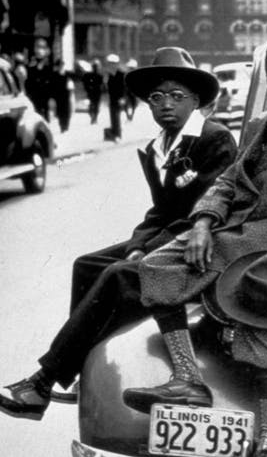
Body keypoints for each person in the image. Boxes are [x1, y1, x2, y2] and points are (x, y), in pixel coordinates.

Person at [121, 38, 267, 448]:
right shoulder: (261, 124)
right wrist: (204, 221)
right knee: (155, 266)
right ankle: (187, 377)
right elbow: (229, 180)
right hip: (235, 229)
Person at [0, 46, 238, 420]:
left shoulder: (215, 138)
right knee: (87, 264)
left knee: (117, 277)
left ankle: (43, 382)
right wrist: (139, 244)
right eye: (156, 98)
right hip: (165, 237)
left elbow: (207, 210)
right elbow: (159, 210)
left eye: (177, 97)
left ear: (196, 100)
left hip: (198, 246)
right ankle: (79, 366)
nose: (166, 106)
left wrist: (147, 251)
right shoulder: (157, 146)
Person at [26, 38, 53, 121]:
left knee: (45, 113)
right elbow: (29, 78)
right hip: (33, 94)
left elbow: (51, 80)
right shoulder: (31, 63)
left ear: (46, 50)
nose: (40, 50)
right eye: (38, 47)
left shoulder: (48, 64)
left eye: (42, 47)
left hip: (45, 94)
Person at [105, 53, 126, 141]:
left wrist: (122, 98)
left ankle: (118, 134)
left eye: (112, 63)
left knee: (117, 116)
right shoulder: (109, 75)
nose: (111, 65)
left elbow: (124, 87)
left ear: (116, 64)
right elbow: (107, 88)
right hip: (112, 98)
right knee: (112, 116)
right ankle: (114, 133)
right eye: (109, 63)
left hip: (119, 98)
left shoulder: (121, 74)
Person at [51, 59, 73, 133]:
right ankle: (62, 126)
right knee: (60, 112)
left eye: (62, 65)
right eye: (60, 65)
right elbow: (53, 85)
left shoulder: (67, 74)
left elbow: (71, 83)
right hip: (58, 95)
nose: (61, 66)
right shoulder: (54, 74)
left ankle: (66, 125)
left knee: (67, 111)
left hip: (66, 95)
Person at [82, 59, 105, 125]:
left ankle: (95, 118)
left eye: (97, 66)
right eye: (95, 66)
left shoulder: (100, 75)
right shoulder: (88, 75)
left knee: (96, 106)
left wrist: (103, 89)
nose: (96, 67)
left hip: (97, 93)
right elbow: (85, 83)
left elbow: (102, 85)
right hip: (91, 93)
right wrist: (88, 89)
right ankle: (93, 118)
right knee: (91, 106)